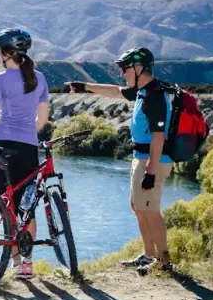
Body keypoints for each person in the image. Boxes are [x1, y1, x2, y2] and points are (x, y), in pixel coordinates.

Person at [65, 47, 173, 274]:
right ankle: (148, 255)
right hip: (141, 158)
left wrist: (151, 172)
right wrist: (86, 87)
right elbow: (114, 92)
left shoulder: (155, 96)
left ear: (139, 68)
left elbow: (158, 137)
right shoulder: (142, 91)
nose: (122, 74)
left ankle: (164, 263)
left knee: (151, 211)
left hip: (153, 160)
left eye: (125, 69)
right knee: (138, 207)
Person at [0, 28, 50, 279]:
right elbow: (42, 120)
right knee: (27, 207)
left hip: (1, 145)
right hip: (27, 148)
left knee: (7, 202)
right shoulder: (40, 78)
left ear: (6, 53)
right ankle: (26, 264)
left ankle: (13, 262)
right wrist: (26, 134)